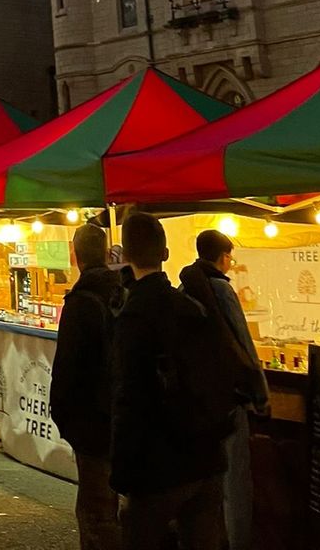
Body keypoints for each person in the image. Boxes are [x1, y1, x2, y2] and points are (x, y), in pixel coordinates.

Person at [111, 212, 230, 550]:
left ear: (126, 256)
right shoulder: (191, 306)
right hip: (205, 456)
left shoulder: (134, 317)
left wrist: (122, 472)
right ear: (165, 253)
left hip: (156, 464)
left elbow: (129, 398)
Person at [180, 230, 270, 550]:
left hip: (198, 400)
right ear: (222, 257)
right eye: (230, 257)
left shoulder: (184, 287)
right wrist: (260, 393)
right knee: (236, 481)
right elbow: (242, 343)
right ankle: (238, 543)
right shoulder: (221, 289)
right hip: (229, 398)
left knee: (209, 481)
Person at [50, 222, 124, 550]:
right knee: (121, 505)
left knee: (96, 509)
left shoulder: (80, 303)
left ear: (75, 255)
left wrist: (63, 417)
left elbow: (66, 367)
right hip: (125, 415)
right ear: (107, 253)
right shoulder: (126, 293)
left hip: (92, 421)